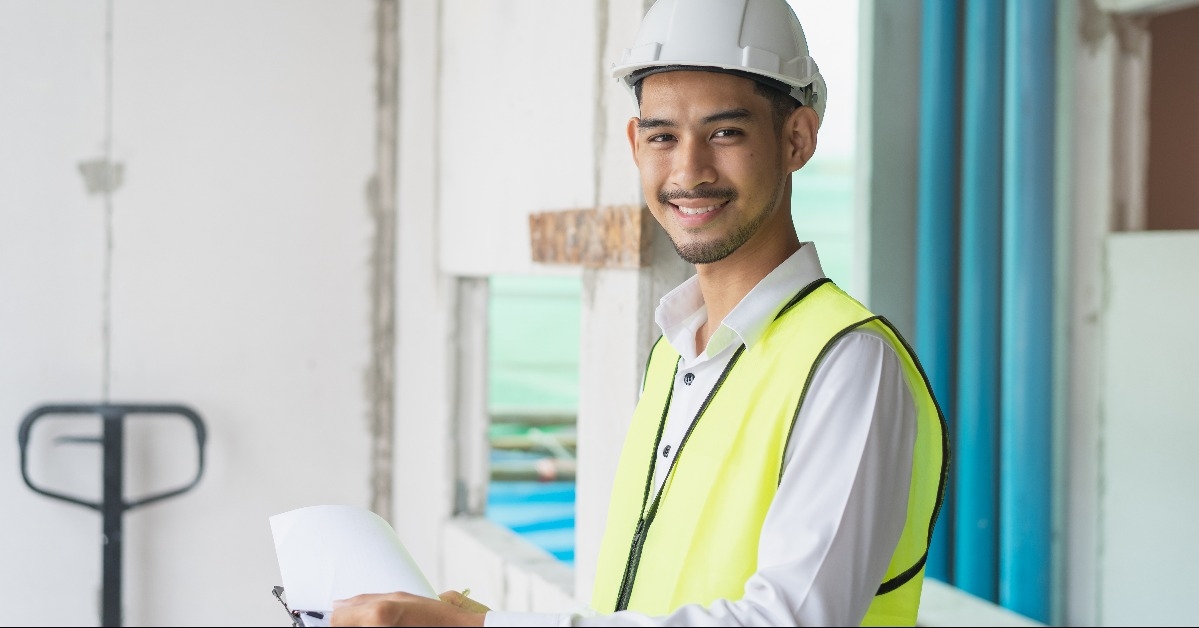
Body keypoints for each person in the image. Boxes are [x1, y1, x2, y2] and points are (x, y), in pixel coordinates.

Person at [331, 0, 947, 626]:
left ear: (797, 138)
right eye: (662, 136)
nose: (689, 171)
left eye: (725, 132)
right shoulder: (676, 352)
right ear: (635, 144)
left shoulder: (847, 365)